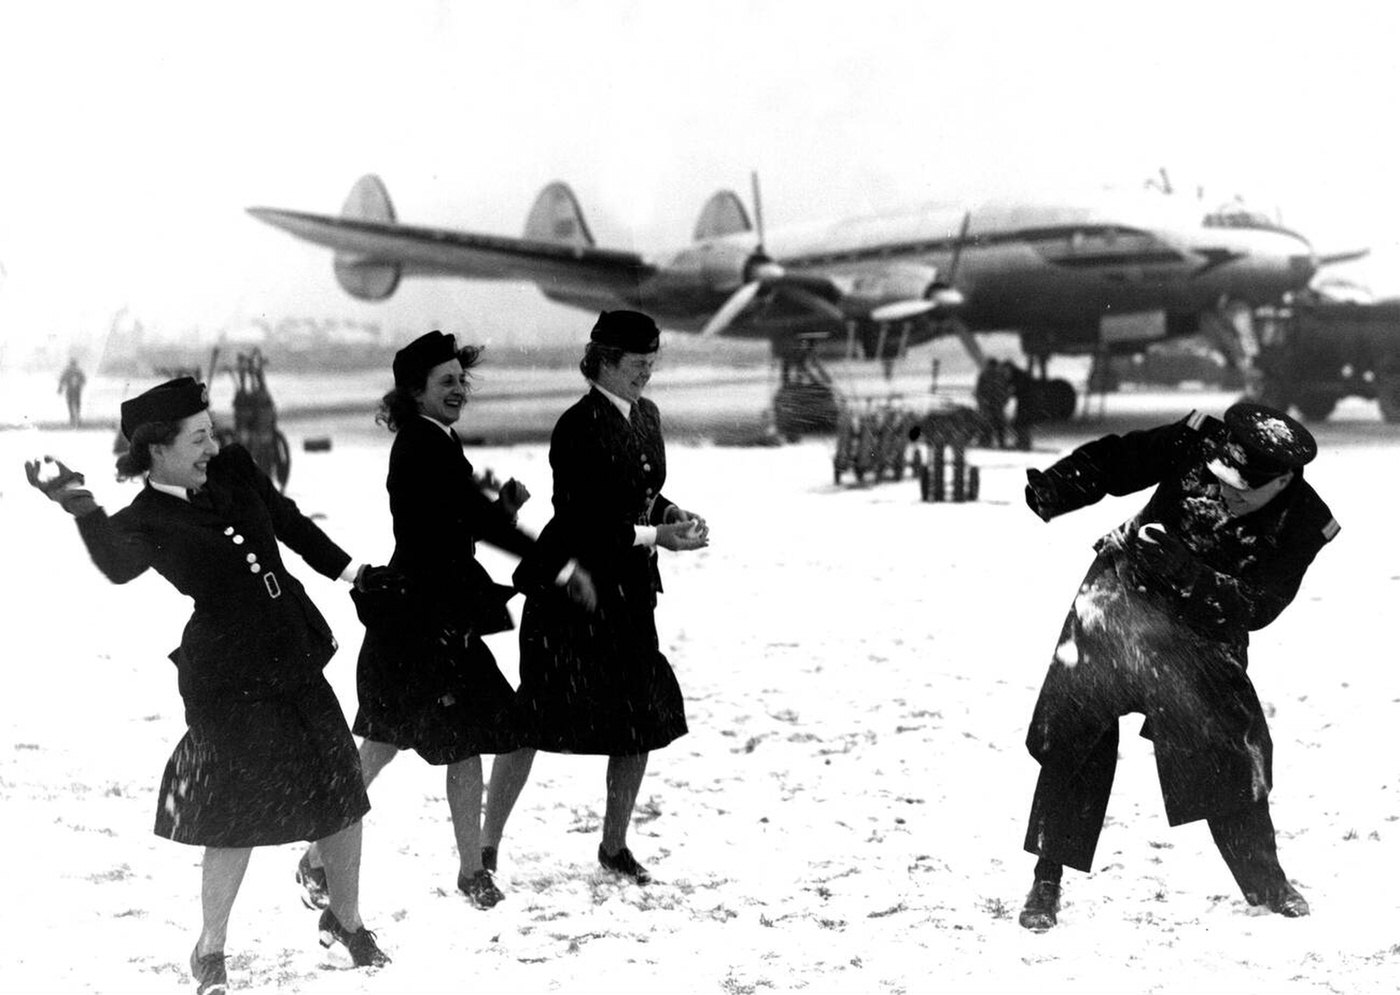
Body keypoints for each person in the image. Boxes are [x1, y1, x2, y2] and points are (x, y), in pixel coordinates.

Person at [24, 377, 390, 994]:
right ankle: (209, 949)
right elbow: (116, 566)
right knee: (236, 813)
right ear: (156, 449)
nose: (211, 446)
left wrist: (352, 572)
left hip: (291, 648)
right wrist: (81, 505)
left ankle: (345, 921)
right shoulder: (147, 517)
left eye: (211, 432)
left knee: (341, 792)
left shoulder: (234, 468)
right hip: (230, 675)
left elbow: (289, 523)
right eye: (198, 438)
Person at [297, 331, 597, 912]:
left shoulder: (437, 440)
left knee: (447, 745)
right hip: (419, 625)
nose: (460, 390)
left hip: (433, 620)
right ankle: (318, 859)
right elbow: (467, 524)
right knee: (385, 745)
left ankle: (468, 871)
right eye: (447, 383)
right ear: (415, 391)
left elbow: (454, 522)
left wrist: (496, 510)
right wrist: (555, 566)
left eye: (463, 380)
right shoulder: (420, 445)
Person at [1016, 401, 1339, 931]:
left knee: (1227, 747)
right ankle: (1046, 881)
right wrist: (1059, 485)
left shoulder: (1305, 523)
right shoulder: (1198, 441)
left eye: (1242, 488)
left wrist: (1191, 574)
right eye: (1219, 479)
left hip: (1205, 625)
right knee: (1076, 730)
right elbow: (1119, 460)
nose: (1224, 492)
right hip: (1121, 592)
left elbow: (1258, 607)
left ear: (1282, 480)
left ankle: (1266, 883)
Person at [506, 309, 709, 885]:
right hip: (575, 591)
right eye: (638, 365)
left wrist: (670, 513)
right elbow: (584, 522)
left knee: (638, 720)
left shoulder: (647, 416)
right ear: (606, 363)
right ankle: (487, 850)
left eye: (652, 363)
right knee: (534, 721)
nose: (647, 374)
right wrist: (655, 536)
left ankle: (614, 846)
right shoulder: (577, 426)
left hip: (629, 593)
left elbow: (643, 490)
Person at [973, 358, 1010, 448]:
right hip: (994, 405)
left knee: (989, 424)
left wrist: (982, 401)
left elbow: (978, 391)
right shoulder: (999, 376)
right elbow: (1005, 391)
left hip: (992, 405)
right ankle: (997, 442)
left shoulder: (986, 376)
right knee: (996, 425)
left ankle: (988, 442)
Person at [58, 357, 86, 427]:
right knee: (77, 403)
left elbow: (62, 380)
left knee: (70, 403)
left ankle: (72, 418)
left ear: (70, 364)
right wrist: (79, 384)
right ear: (76, 364)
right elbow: (83, 380)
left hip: (70, 390)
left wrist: (60, 389)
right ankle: (77, 418)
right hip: (77, 390)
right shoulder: (79, 371)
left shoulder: (67, 371)